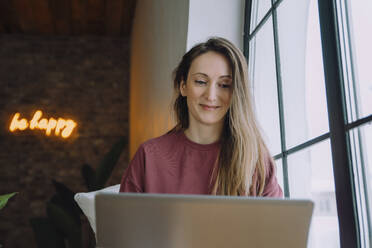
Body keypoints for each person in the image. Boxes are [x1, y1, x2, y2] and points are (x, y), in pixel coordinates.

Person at [120, 37, 283, 197]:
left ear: (236, 93)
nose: (211, 96)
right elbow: (123, 222)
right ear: (183, 86)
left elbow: (278, 223)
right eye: (200, 82)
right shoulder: (148, 156)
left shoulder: (256, 161)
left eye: (224, 85)